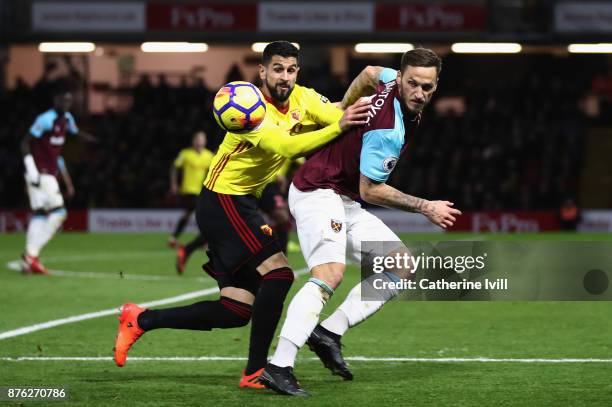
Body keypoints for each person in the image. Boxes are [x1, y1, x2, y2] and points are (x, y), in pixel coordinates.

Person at [113, 41, 372, 390]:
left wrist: (370, 105)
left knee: (236, 310)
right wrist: (341, 124)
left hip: (244, 202)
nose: (284, 76)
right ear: (262, 72)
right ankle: (257, 371)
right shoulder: (248, 108)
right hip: (223, 200)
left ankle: (140, 319)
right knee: (279, 274)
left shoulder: (304, 98)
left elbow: (337, 113)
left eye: (291, 69)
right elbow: (288, 146)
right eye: (277, 69)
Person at [260, 48, 461, 396]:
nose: (419, 93)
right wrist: (426, 206)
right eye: (412, 84)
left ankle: (328, 333)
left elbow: (369, 72)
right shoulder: (389, 127)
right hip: (317, 190)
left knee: (401, 265)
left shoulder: (389, 82)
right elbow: (372, 190)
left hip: (343, 198)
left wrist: (342, 105)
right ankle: (278, 365)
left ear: (436, 84)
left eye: (427, 87)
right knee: (329, 274)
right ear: (400, 79)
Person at [20, 89, 95, 274]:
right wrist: (32, 171)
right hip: (40, 172)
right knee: (59, 212)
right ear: (56, 100)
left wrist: (96, 140)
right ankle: (31, 255)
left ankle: (29, 258)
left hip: (47, 173)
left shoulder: (67, 119)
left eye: (69, 100)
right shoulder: (45, 119)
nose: (66, 104)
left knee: (39, 213)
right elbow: (24, 143)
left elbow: (75, 134)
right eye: (63, 100)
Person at [168, 131, 214, 274]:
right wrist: (174, 184)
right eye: (198, 139)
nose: (200, 142)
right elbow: (175, 167)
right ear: (193, 141)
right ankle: (200, 242)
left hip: (202, 191)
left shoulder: (209, 156)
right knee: (203, 218)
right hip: (188, 190)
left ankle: (176, 239)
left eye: (203, 139)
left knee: (189, 215)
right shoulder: (185, 154)